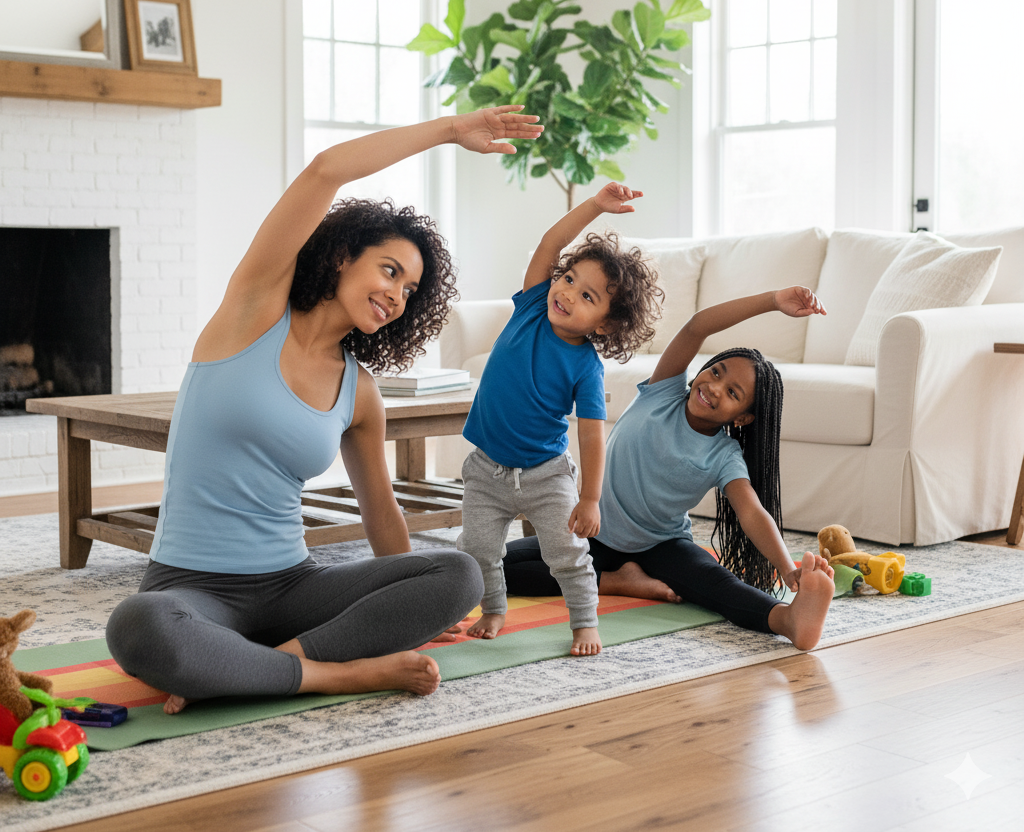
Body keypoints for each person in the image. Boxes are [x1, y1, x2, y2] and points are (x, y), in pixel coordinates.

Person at [106, 106, 543, 711]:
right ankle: (335, 673)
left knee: (458, 575)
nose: (396, 295)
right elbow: (325, 171)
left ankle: (258, 667)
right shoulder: (252, 312)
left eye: (410, 289)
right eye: (389, 270)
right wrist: (448, 130)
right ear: (342, 256)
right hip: (191, 589)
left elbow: (381, 514)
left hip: (293, 589)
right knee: (138, 625)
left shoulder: (359, 391)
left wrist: (414, 604)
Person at [502, 288, 837, 652]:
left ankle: (787, 620)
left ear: (742, 418)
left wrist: (787, 568)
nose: (714, 387)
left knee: (714, 582)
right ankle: (616, 581)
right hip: (594, 533)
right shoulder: (663, 392)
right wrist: (772, 301)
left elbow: (752, 512)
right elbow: (697, 327)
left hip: (662, 545)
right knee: (496, 565)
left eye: (733, 393)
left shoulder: (724, 455)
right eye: (715, 372)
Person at [457, 183, 663, 656]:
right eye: (568, 279)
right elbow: (551, 244)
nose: (567, 293)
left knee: (566, 554)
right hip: (486, 469)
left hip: (546, 476)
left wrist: (589, 499)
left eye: (586, 295)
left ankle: (584, 622)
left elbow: (591, 436)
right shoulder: (532, 305)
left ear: (605, 324)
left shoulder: (587, 368)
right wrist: (594, 206)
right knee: (478, 549)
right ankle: (493, 609)